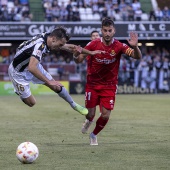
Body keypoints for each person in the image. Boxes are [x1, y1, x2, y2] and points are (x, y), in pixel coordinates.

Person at [73, 17, 142, 145]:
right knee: (90, 114)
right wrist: (76, 54)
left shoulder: (119, 46)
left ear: (114, 31)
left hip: (109, 86)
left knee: (105, 115)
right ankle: (88, 121)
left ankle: (93, 135)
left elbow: (137, 57)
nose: (107, 33)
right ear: (101, 31)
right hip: (92, 85)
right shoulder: (93, 44)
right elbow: (79, 60)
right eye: (105, 30)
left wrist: (136, 47)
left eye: (110, 30)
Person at [8, 26, 102, 116]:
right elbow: (31, 68)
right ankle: (18, 90)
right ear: (53, 39)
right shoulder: (40, 45)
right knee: (31, 103)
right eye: (60, 45)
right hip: (18, 72)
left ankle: (74, 105)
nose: (60, 47)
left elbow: (72, 48)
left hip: (33, 64)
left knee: (56, 86)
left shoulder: (50, 37)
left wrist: (91, 53)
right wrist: (48, 81)